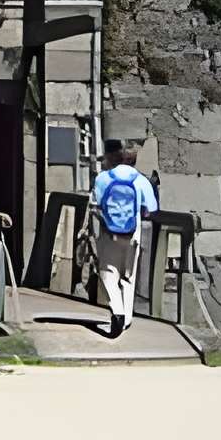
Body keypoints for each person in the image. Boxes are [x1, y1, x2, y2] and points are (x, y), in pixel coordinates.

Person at [87, 138, 157, 338]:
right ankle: (126, 319)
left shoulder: (102, 179)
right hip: (133, 233)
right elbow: (151, 210)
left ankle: (116, 310)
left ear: (109, 159)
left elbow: (96, 205)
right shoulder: (140, 180)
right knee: (129, 277)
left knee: (108, 273)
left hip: (110, 234)